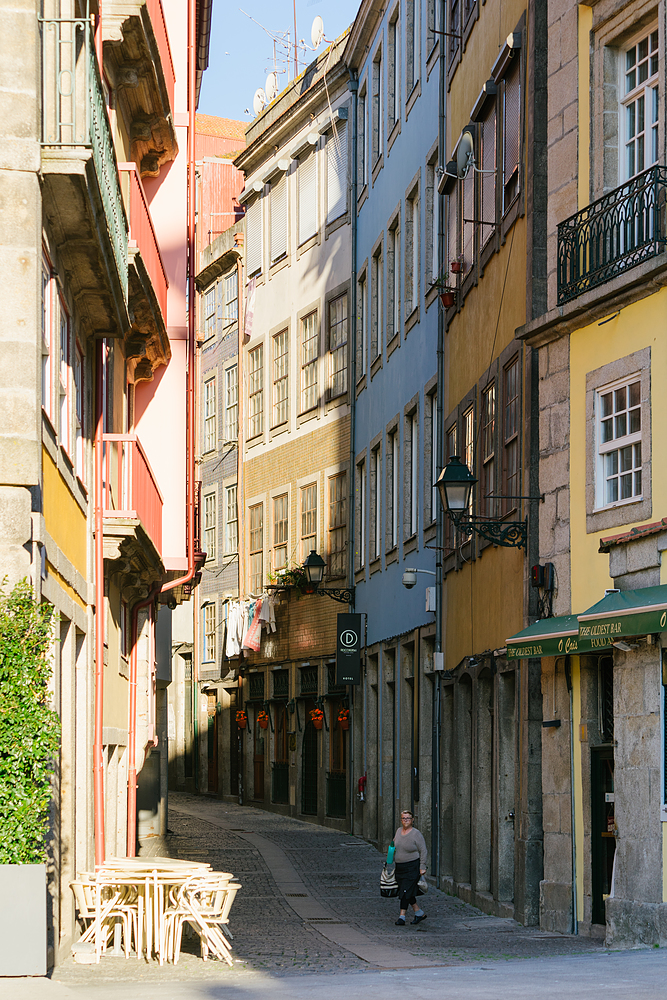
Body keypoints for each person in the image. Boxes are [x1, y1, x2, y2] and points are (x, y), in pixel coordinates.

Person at [393, 809, 427, 925]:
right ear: (401, 820)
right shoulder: (398, 831)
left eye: (408, 818)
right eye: (403, 818)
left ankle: (402, 917)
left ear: (412, 820)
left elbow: (423, 850)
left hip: (412, 866)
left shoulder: (416, 834)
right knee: (406, 891)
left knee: (405, 890)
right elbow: (394, 844)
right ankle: (419, 913)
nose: (405, 820)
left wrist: (422, 866)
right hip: (400, 867)